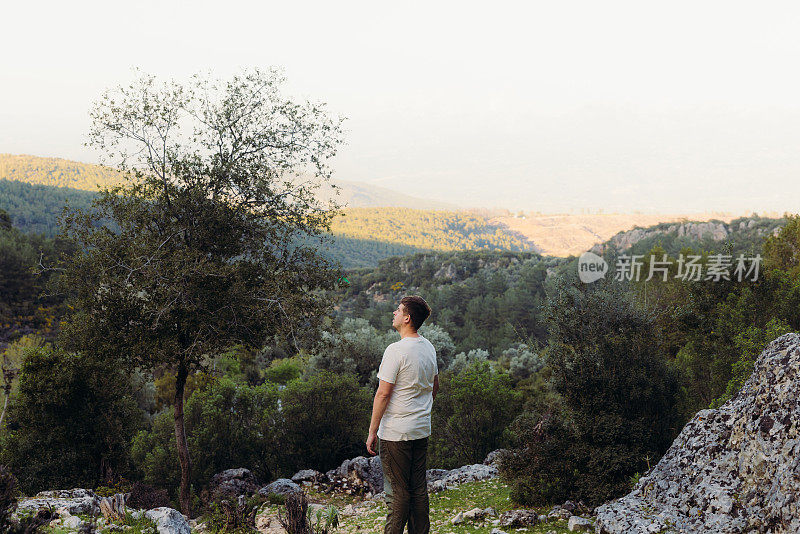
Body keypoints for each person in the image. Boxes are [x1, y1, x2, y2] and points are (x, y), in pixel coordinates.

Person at [366, 295, 439, 534]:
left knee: (397, 493)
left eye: (397, 310)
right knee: (418, 488)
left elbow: (382, 394)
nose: (393, 313)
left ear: (407, 318)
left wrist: (372, 431)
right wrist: (420, 411)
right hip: (420, 429)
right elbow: (434, 387)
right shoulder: (428, 347)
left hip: (396, 433)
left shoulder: (395, 350)